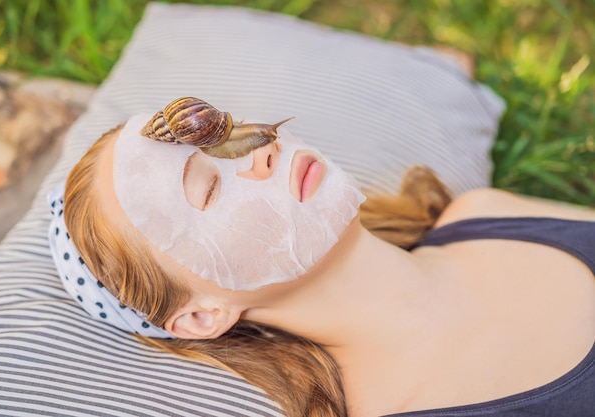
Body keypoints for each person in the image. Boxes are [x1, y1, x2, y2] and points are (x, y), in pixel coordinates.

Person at [49, 101, 595, 417]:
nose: (261, 154)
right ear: (201, 316)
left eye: (222, 141)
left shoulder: (484, 212)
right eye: (210, 191)